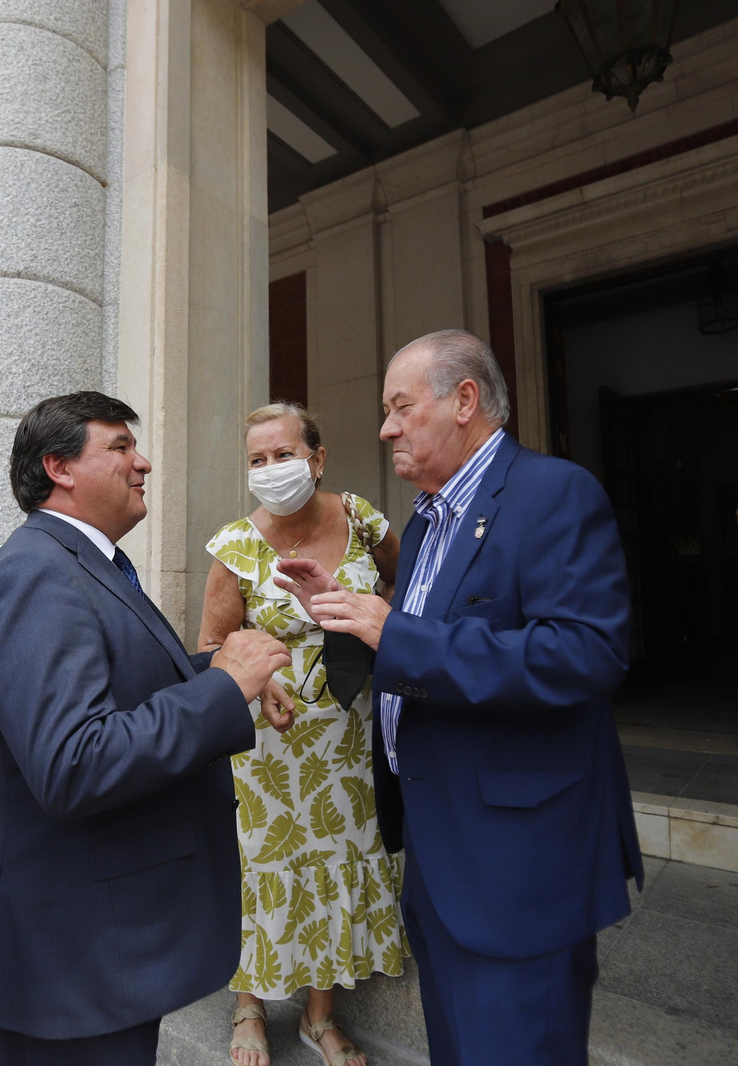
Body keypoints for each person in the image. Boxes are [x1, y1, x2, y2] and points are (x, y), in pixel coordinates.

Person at [279, 330, 641, 1066]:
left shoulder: (553, 493)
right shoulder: (425, 519)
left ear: (465, 400)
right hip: (440, 852)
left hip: (517, 865)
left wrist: (394, 631)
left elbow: (586, 655)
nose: (386, 429)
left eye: (401, 408)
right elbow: (420, 648)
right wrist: (348, 616)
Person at [0, 391, 293, 1066]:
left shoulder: (84, 563)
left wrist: (221, 669)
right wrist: (224, 689)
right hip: (73, 968)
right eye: (119, 447)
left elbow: (122, 685)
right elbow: (74, 761)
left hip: (103, 953)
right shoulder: (35, 575)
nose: (143, 463)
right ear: (59, 468)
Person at [199, 402, 405, 1066]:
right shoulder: (235, 546)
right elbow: (210, 646)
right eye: (257, 460)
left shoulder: (361, 518)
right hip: (268, 741)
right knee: (265, 864)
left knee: (338, 860)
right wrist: (256, 680)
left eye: (283, 455)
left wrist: (377, 623)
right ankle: (250, 1005)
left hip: (349, 733)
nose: (270, 469)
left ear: (317, 460)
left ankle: (320, 1016)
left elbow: (408, 583)